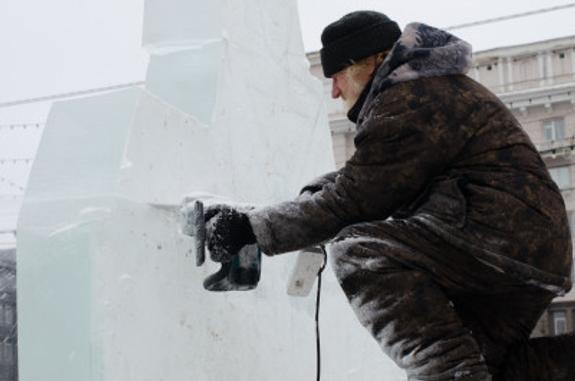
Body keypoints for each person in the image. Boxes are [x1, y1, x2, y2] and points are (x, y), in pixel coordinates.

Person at [202, 11, 573, 381]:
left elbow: (355, 199)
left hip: (496, 237)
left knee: (360, 253)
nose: (334, 91)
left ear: (372, 61)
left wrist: (251, 229)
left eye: (337, 76)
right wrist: (310, 197)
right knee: (487, 363)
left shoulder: (409, 99)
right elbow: (376, 177)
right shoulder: (429, 90)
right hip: (527, 249)